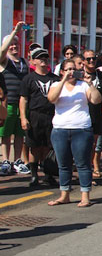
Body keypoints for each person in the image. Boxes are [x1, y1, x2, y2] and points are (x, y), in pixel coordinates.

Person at [46, 59, 102, 207]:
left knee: (83, 164)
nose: (72, 72)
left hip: (81, 129)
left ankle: (85, 196)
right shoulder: (55, 85)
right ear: (62, 72)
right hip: (60, 129)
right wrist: (64, 80)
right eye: (68, 69)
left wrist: (90, 83)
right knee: (63, 164)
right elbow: (51, 99)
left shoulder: (83, 85)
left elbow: (97, 100)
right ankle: (64, 194)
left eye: (74, 69)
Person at [19, 48, 59, 187]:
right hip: (35, 115)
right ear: (34, 61)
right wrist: (23, 118)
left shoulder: (55, 78)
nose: (43, 60)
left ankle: (48, 175)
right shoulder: (28, 79)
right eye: (40, 58)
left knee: (48, 147)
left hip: (51, 116)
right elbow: (23, 99)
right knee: (34, 147)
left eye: (45, 57)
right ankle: (34, 175)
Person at [0, 22, 30, 175]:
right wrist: (14, 32)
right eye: (10, 45)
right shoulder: (4, 61)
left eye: (16, 44)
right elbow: (2, 52)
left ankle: (17, 160)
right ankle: (5, 160)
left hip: (22, 104)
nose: (13, 47)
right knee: (5, 134)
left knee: (20, 134)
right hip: (9, 102)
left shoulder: (24, 62)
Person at [82, 49, 102, 179]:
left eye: (94, 58)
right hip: (81, 115)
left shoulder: (101, 76)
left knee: (93, 144)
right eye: (88, 59)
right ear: (83, 61)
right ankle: (83, 170)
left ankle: (90, 169)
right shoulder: (78, 76)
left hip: (96, 115)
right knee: (82, 145)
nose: (92, 61)